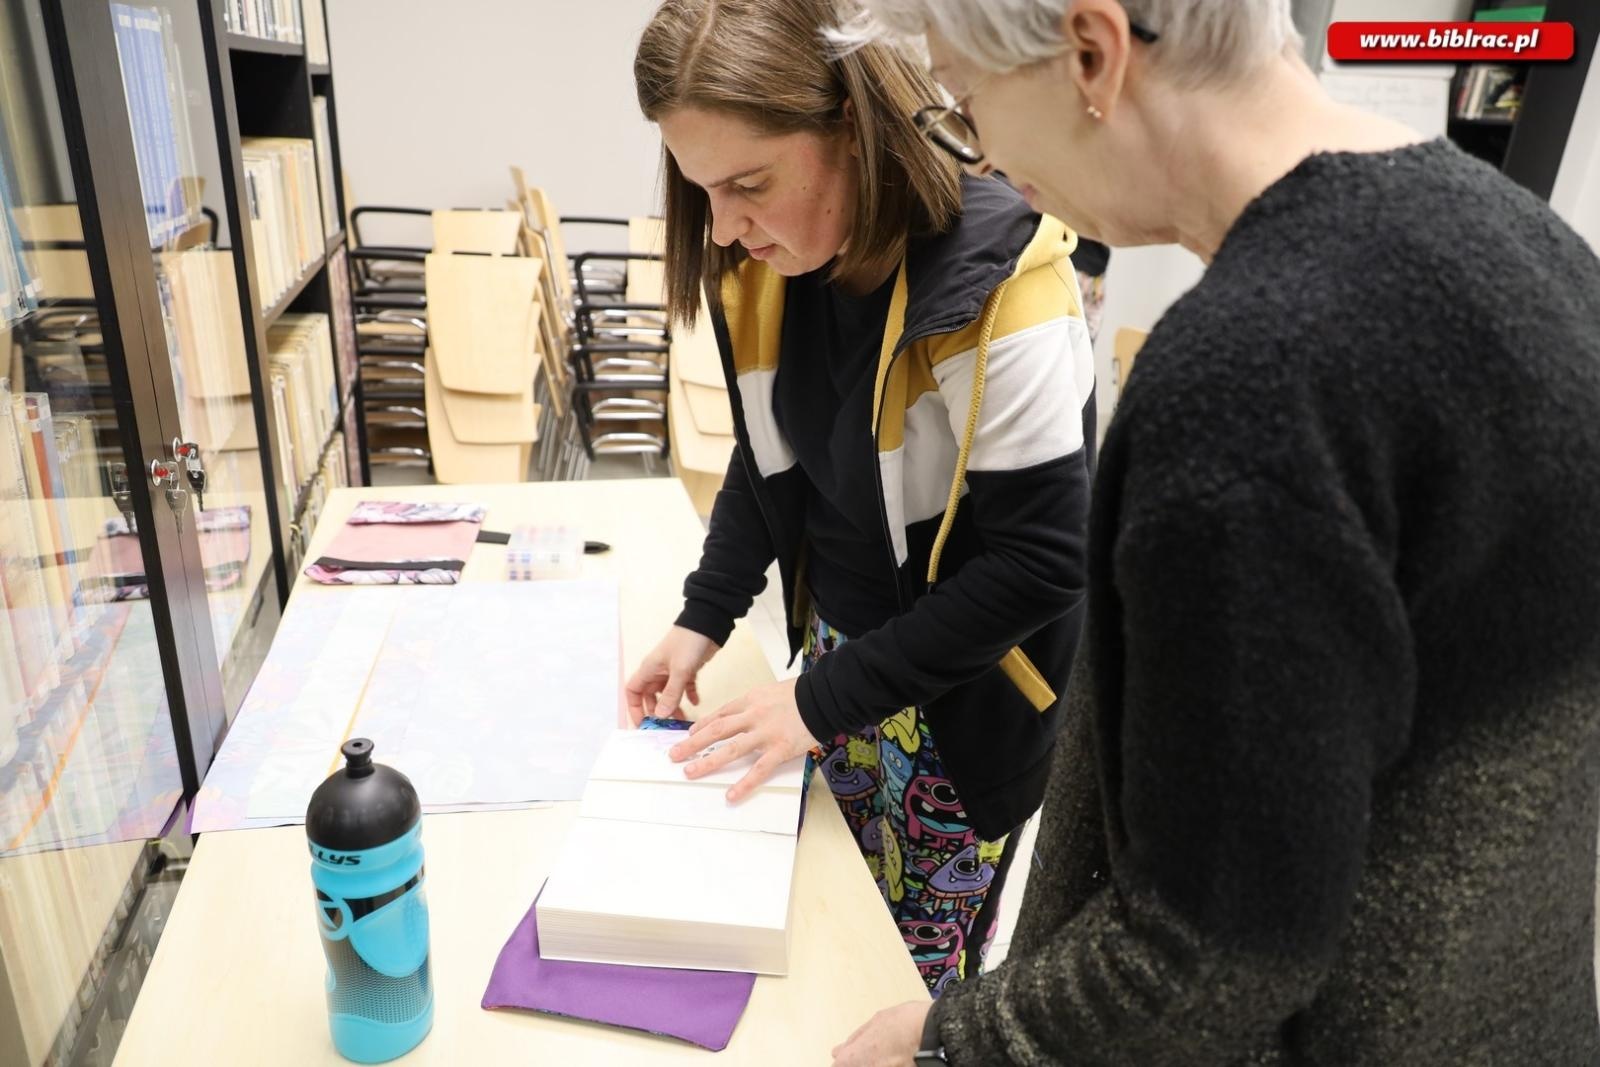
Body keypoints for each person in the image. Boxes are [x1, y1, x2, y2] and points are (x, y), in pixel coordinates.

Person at [830, 0, 1600, 1063]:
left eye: (967, 109)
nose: (988, 164)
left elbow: (1218, 945)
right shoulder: (1538, 249)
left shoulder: (1255, 378)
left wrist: (949, 1038)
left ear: (1091, 55)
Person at [623, 0, 1099, 996]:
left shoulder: (1004, 284)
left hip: (962, 706)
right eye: (703, 190)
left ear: (855, 125)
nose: (724, 228)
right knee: (810, 943)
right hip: (836, 664)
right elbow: (771, 461)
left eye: (747, 185)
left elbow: (1042, 564)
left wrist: (820, 697)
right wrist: (703, 615)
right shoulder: (773, 266)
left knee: (891, 993)